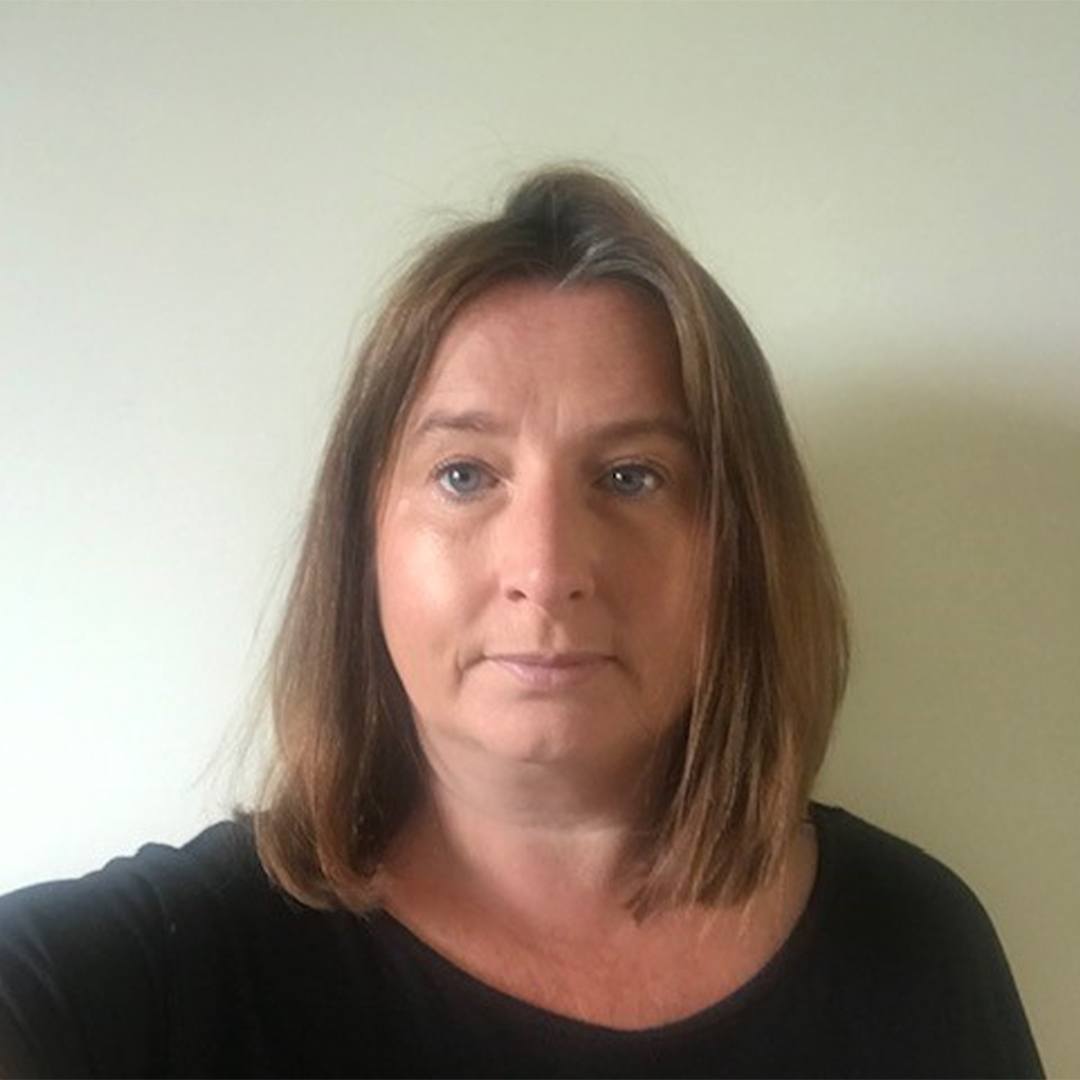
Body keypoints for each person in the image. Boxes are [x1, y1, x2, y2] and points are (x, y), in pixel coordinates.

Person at [0, 164, 1043, 1079]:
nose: (545, 571)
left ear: (742, 548)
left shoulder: (916, 947)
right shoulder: (171, 970)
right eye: (464, 474)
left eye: (632, 477)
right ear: (362, 545)